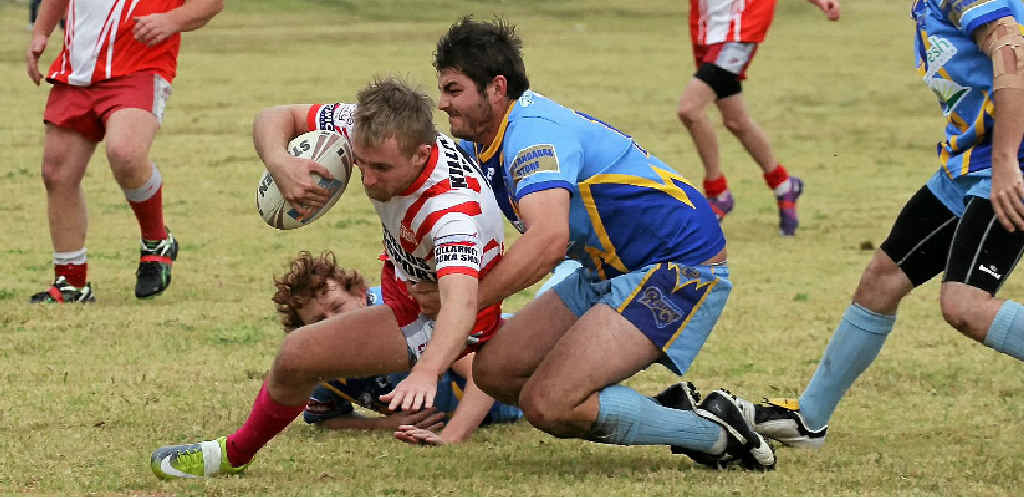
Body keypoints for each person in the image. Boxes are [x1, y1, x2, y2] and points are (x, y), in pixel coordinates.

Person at [425, 16, 776, 470]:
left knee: (549, 404)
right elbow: (417, 150)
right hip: (606, 270)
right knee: (495, 372)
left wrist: (462, 303)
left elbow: (549, 239)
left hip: (677, 267)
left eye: (453, 91)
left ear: (495, 88)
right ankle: (664, 413)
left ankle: (715, 434)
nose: (442, 103)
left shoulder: (532, 134)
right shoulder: (487, 138)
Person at [149, 77, 509, 479]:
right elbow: (275, 116)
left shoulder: (450, 214)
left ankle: (231, 455)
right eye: (362, 162)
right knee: (295, 356)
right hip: (408, 281)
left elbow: (461, 305)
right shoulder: (368, 126)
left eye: (382, 168)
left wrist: (427, 369)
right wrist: (280, 162)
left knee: (296, 356)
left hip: (447, 318)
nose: (367, 180)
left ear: (421, 153)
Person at [751, 0, 1024, 449]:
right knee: (882, 279)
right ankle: (809, 422)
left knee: (965, 305)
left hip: (1007, 163)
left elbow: (1010, 44)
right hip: (967, 165)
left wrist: (1005, 161)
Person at [26, 0, 223, 303]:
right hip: (78, 68)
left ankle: (156, 241)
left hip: (140, 68)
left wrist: (171, 21)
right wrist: (41, 32)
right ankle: (71, 283)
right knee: (57, 172)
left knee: (126, 152)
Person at [273, 250, 522, 444]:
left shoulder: (405, 320)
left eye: (338, 307)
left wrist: (453, 435)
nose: (332, 322)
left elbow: (484, 372)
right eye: (317, 321)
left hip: (522, 356)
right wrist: (385, 424)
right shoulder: (321, 362)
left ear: (361, 295)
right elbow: (324, 418)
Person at [675, 0, 839, 235]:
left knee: (690, 109)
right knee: (735, 120)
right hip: (708, 26)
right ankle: (784, 184)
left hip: (741, 26)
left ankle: (717, 193)